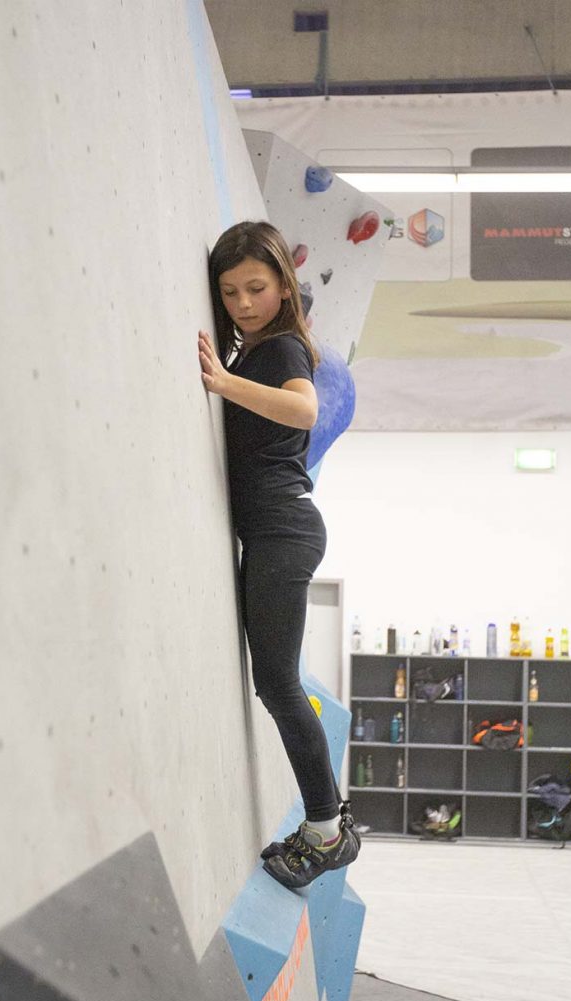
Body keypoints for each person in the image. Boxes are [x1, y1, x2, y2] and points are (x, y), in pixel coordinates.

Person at [198, 220, 360, 889]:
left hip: (284, 530)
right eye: (230, 290)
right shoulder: (261, 348)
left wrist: (221, 384)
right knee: (276, 681)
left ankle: (327, 830)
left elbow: (302, 411)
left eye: (256, 288)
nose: (242, 303)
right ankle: (326, 824)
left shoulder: (284, 348)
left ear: (283, 286)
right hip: (274, 530)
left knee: (279, 683)